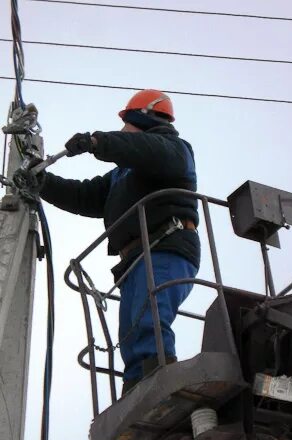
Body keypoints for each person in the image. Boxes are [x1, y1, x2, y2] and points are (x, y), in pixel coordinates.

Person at [17, 89, 200, 394]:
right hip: (136, 258)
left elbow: (142, 148)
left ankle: (159, 384)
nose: (122, 129)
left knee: (148, 319)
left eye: (127, 121)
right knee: (129, 332)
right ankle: (136, 391)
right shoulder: (123, 175)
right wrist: (43, 183)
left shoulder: (173, 150)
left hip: (166, 247)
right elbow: (85, 196)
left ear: (144, 118)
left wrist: (96, 142)